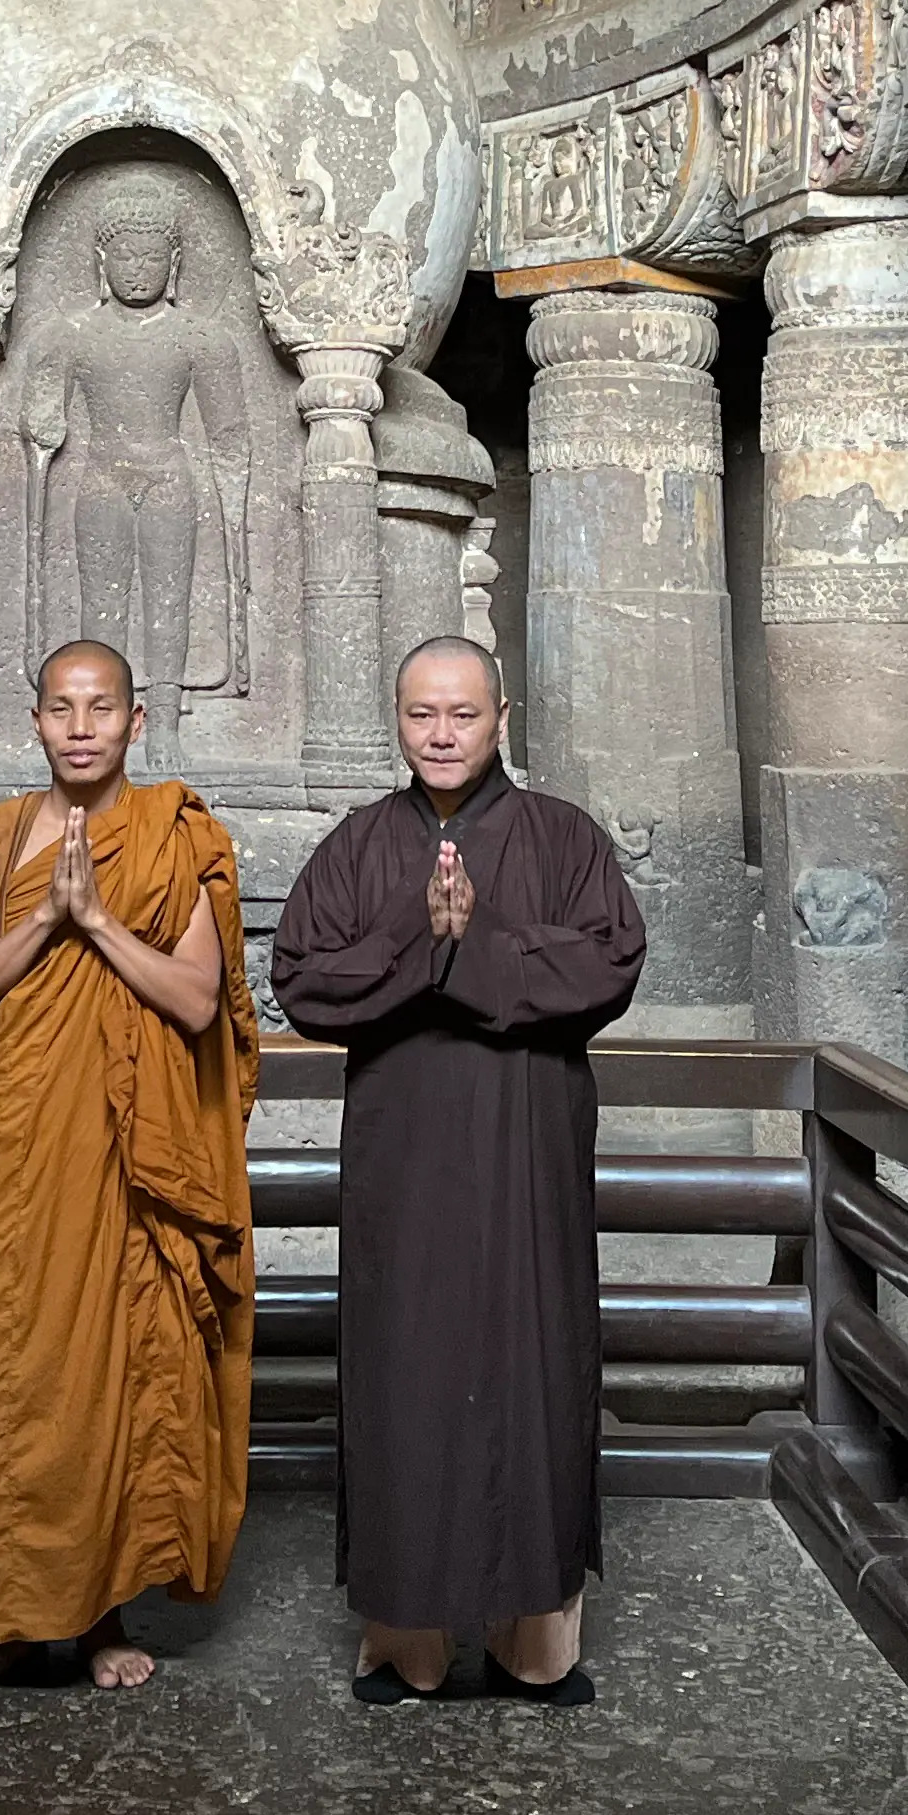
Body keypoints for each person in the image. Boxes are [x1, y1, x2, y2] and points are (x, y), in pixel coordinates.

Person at [270, 637, 647, 1706]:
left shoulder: (562, 839)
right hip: (405, 1155)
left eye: (463, 715)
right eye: (422, 715)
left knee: (535, 1368)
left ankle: (540, 1646)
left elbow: (609, 963)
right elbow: (300, 976)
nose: (442, 735)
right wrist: (416, 936)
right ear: (397, 720)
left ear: (502, 718)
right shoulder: (357, 846)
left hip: (526, 1150)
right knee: (405, 1372)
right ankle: (407, 1640)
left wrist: (467, 949)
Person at [0, 639, 258, 1689]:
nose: (82, 726)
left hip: (127, 1153)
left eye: (101, 708)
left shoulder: (179, 836)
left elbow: (196, 998)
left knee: (117, 1370)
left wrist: (98, 920)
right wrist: (43, 918)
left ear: (136, 722)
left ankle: (107, 1616)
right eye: (62, 708)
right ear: (34, 722)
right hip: (17, 1144)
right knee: (4, 1370)